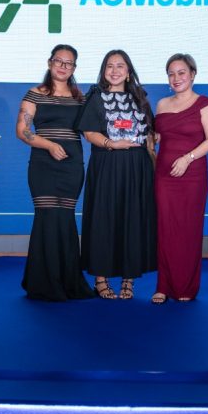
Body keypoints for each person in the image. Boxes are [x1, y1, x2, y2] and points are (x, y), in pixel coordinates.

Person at [17, 44, 95, 301]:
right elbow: (22, 131)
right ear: (50, 63)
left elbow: (91, 131)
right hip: (43, 165)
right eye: (59, 61)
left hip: (72, 166)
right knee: (47, 216)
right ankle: (44, 283)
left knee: (65, 217)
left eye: (68, 63)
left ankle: (68, 282)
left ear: (74, 68)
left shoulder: (81, 98)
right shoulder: (34, 94)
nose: (63, 66)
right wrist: (49, 145)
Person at [78, 50, 157, 300]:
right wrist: (112, 143)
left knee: (132, 218)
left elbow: (150, 134)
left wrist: (153, 143)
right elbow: (89, 133)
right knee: (104, 218)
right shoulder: (95, 98)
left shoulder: (141, 98)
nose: (114, 71)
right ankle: (100, 279)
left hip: (137, 167)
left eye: (120, 66)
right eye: (109, 66)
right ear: (103, 71)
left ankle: (128, 279)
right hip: (107, 164)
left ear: (128, 71)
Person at [152, 53, 208, 304]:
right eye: (171, 73)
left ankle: (185, 287)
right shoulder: (161, 104)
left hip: (192, 176)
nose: (176, 78)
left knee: (188, 230)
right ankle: (163, 285)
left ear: (192, 74)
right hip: (164, 175)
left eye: (181, 72)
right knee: (165, 228)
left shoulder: (204, 104)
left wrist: (187, 158)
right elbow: (159, 137)